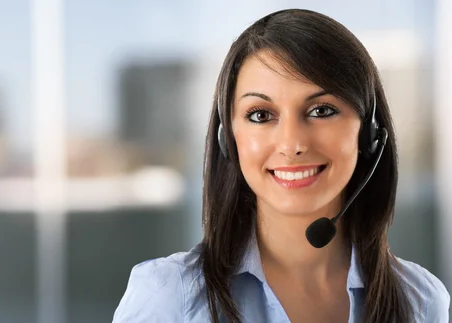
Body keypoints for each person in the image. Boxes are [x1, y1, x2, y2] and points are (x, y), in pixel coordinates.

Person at [112, 8, 450, 323]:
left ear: (369, 134)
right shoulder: (170, 298)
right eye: (261, 115)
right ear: (228, 140)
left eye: (321, 110)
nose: (292, 144)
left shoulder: (420, 301)